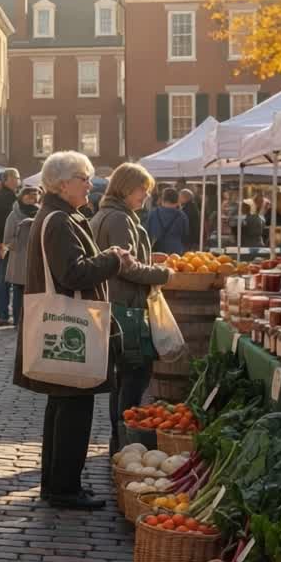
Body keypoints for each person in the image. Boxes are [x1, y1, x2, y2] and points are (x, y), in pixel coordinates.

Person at [15, 150, 132, 509]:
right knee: (73, 410)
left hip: (63, 323)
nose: (89, 185)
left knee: (62, 407)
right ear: (64, 184)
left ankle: (57, 483)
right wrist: (112, 259)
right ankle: (65, 488)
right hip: (72, 327)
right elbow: (73, 273)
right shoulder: (60, 220)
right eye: (84, 179)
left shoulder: (58, 215)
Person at [90, 164, 173, 454]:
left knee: (121, 378)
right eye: (142, 190)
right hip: (126, 308)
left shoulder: (105, 214)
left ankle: (119, 440)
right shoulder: (120, 220)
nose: (146, 196)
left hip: (113, 306)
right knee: (134, 376)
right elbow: (126, 266)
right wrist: (161, 273)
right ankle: (125, 441)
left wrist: (150, 258)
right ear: (126, 188)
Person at [3, 186, 40, 327]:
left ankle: (32, 320)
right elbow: (7, 239)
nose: (33, 199)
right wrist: (20, 244)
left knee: (34, 291)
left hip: (35, 259)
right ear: (22, 197)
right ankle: (18, 320)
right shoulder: (14, 215)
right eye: (30, 196)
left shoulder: (40, 213)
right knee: (18, 290)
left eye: (36, 196)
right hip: (19, 259)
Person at [0, 169, 20, 324]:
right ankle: (10, 314)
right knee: (9, 279)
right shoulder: (8, 197)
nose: (18, 180)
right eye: (16, 177)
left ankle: (2, 314)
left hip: (2, 243)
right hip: (8, 243)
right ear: (6, 180)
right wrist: (0, 242)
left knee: (3, 279)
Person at [145, 188, 189, 255]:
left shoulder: (153, 213)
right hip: (175, 252)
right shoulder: (182, 216)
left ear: (162, 199)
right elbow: (185, 235)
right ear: (177, 200)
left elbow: (147, 232)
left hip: (156, 250)